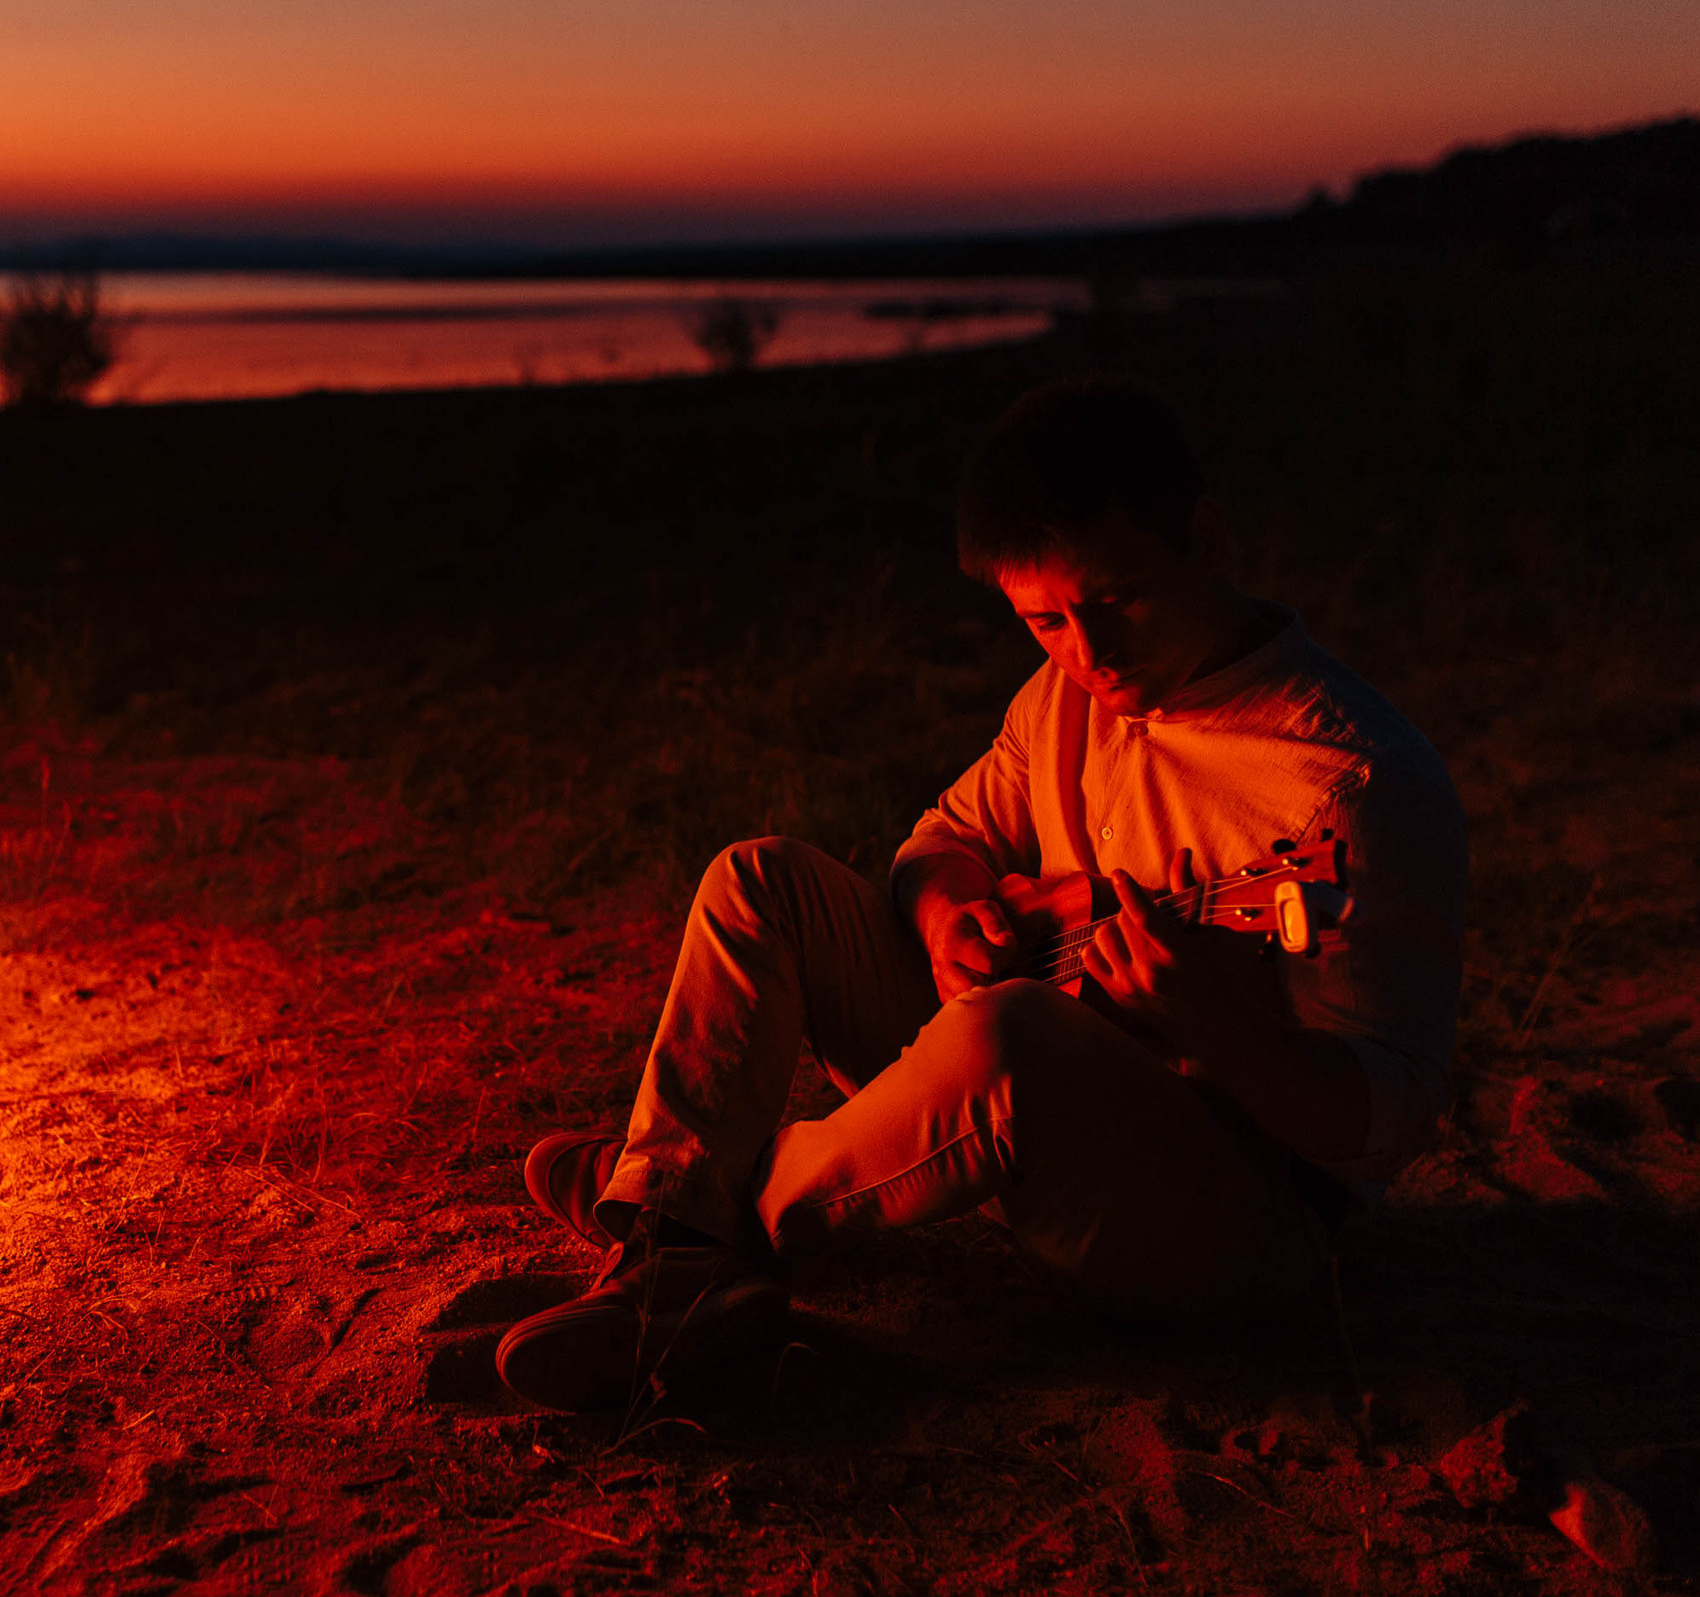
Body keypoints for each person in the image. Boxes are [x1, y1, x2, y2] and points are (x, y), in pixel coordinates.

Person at [494, 375, 1467, 1413]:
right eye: (1043, 622)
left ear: (1205, 536)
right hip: (1017, 1134)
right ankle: (679, 1235)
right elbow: (943, 841)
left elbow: (1386, 1119)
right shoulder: (1061, 697)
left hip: (1232, 1226)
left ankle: (685, 1218)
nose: (1089, 657)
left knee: (1010, 1036)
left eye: (1117, 601)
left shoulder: (1351, 782)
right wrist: (943, 915)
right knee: (760, 877)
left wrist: (1212, 1025)